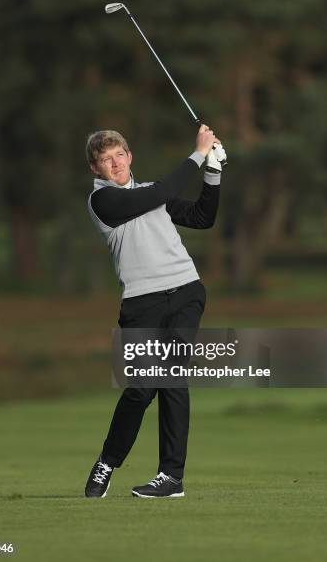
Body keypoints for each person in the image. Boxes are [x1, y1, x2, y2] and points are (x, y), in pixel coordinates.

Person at [84, 124, 223, 498]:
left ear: (130, 157)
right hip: (141, 303)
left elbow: (200, 217)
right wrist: (197, 154)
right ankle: (107, 462)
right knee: (141, 389)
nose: (114, 164)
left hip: (185, 291)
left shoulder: (151, 193)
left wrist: (213, 173)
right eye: (105, 160)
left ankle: (171, 477)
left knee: (174, 378)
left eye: (119, 155)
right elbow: (160, 192)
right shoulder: (103, 202)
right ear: (95, 169)